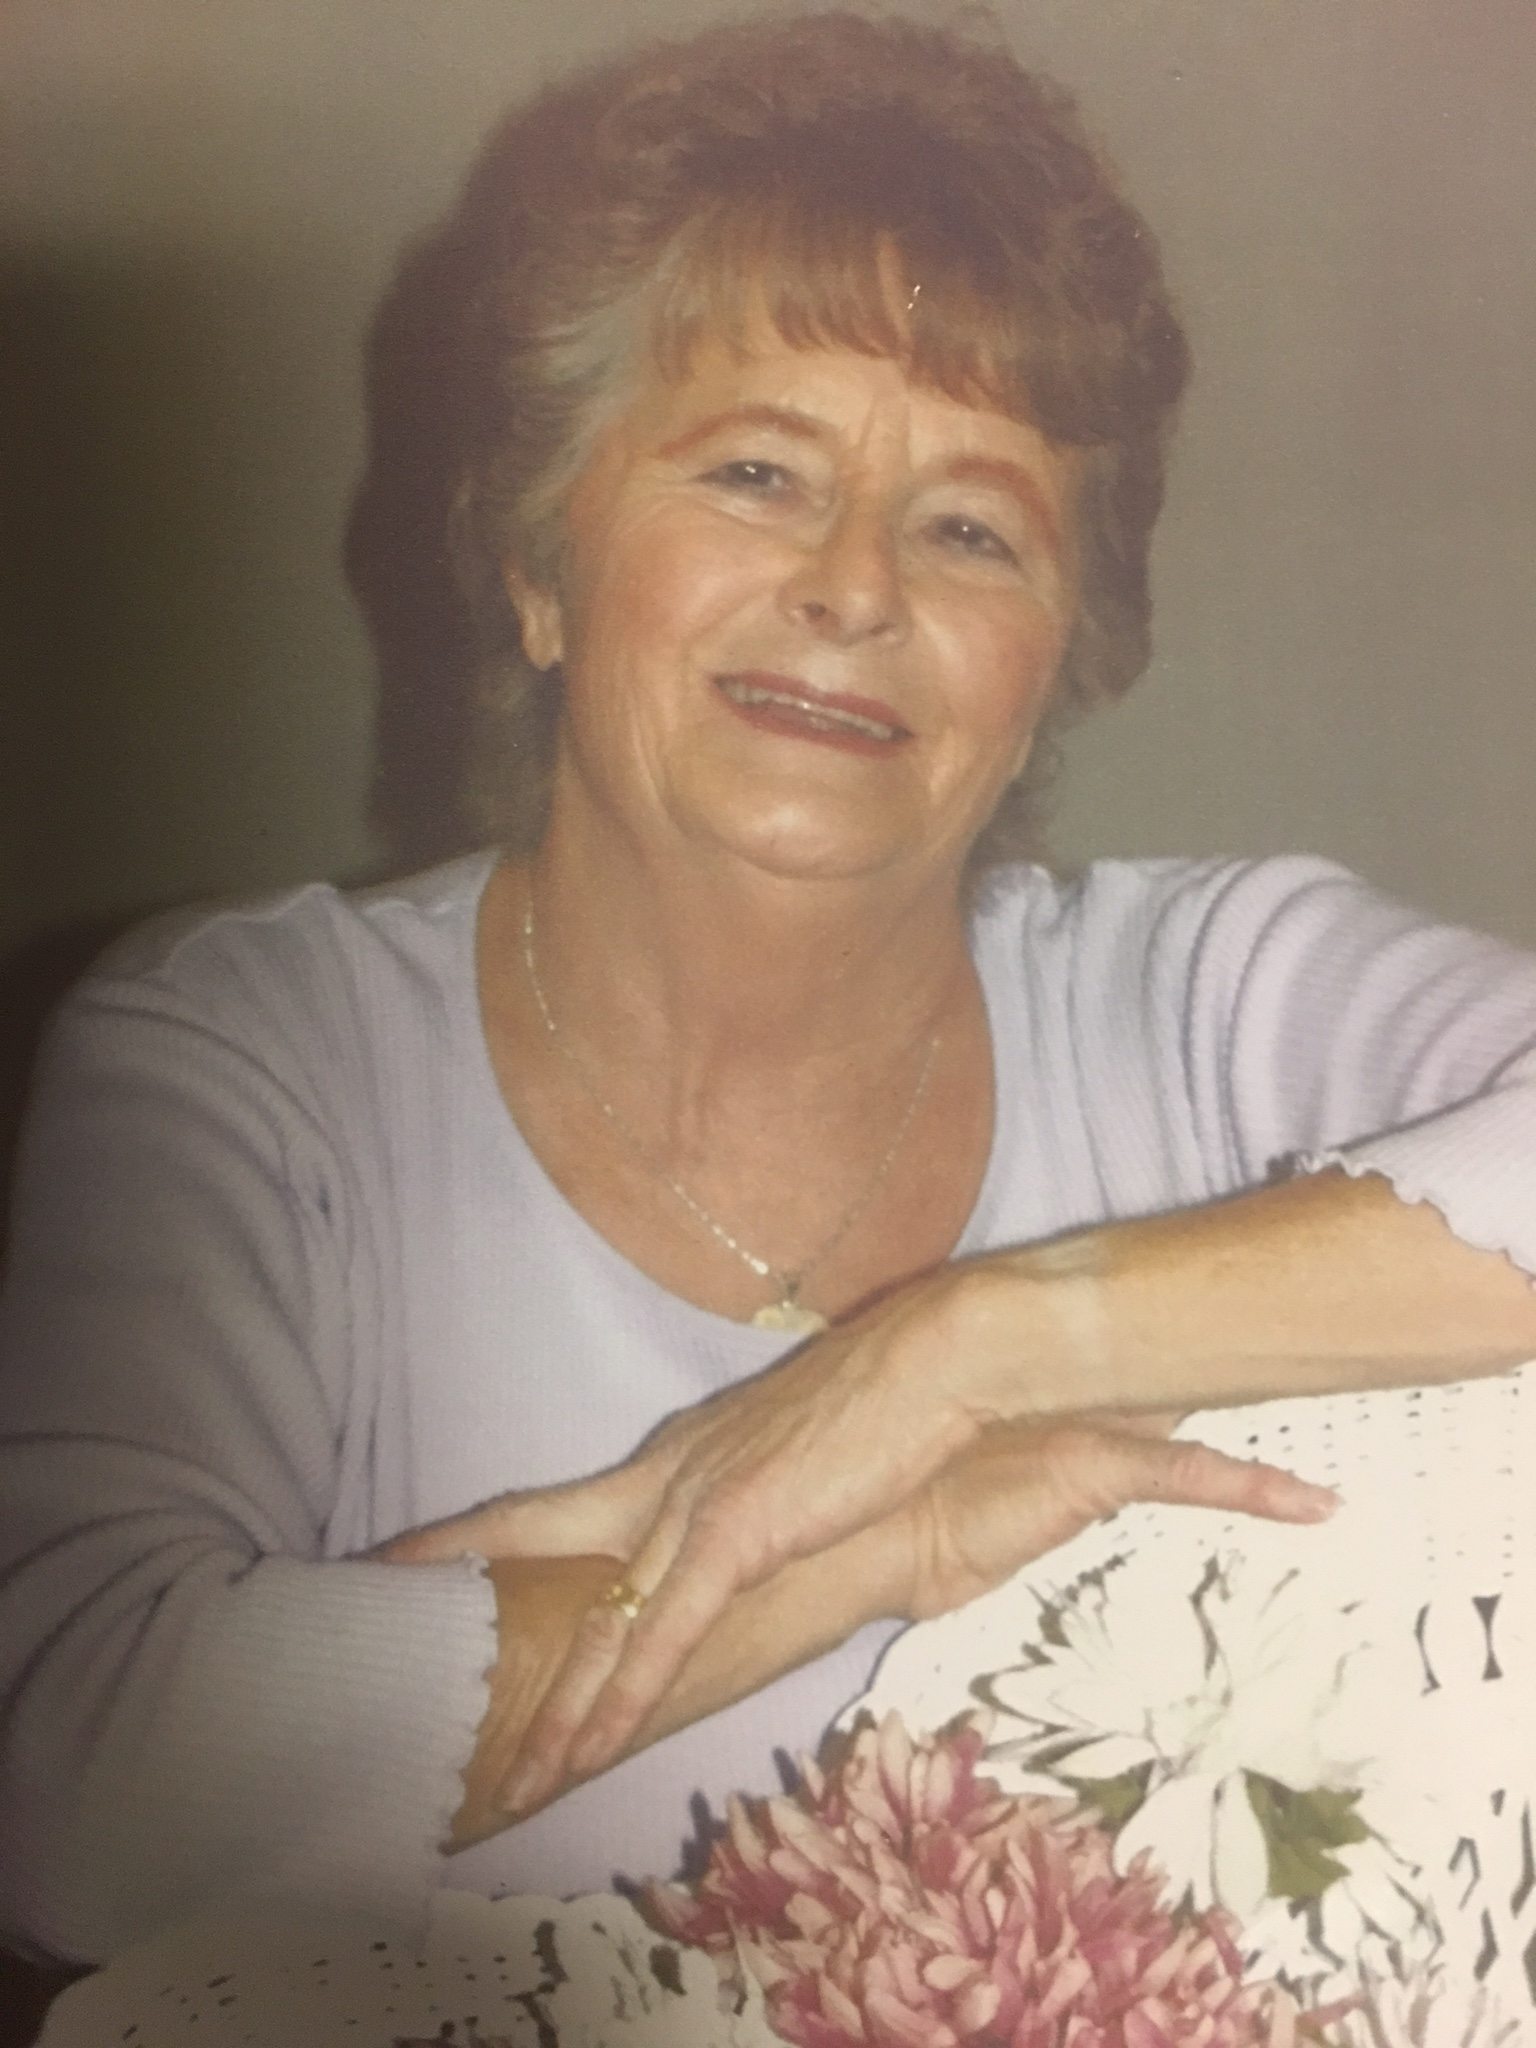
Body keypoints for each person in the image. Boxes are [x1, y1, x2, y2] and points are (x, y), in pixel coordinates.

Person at [2, 8, 1535, 1972]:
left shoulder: (1200, 1000)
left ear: (1059, 658)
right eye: (755, 470)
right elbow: (60, 1778)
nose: (855, 584)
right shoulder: (253, 1060)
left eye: (970, 525)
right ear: (540, 564)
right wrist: (856, 1547)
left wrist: (966, 1350)